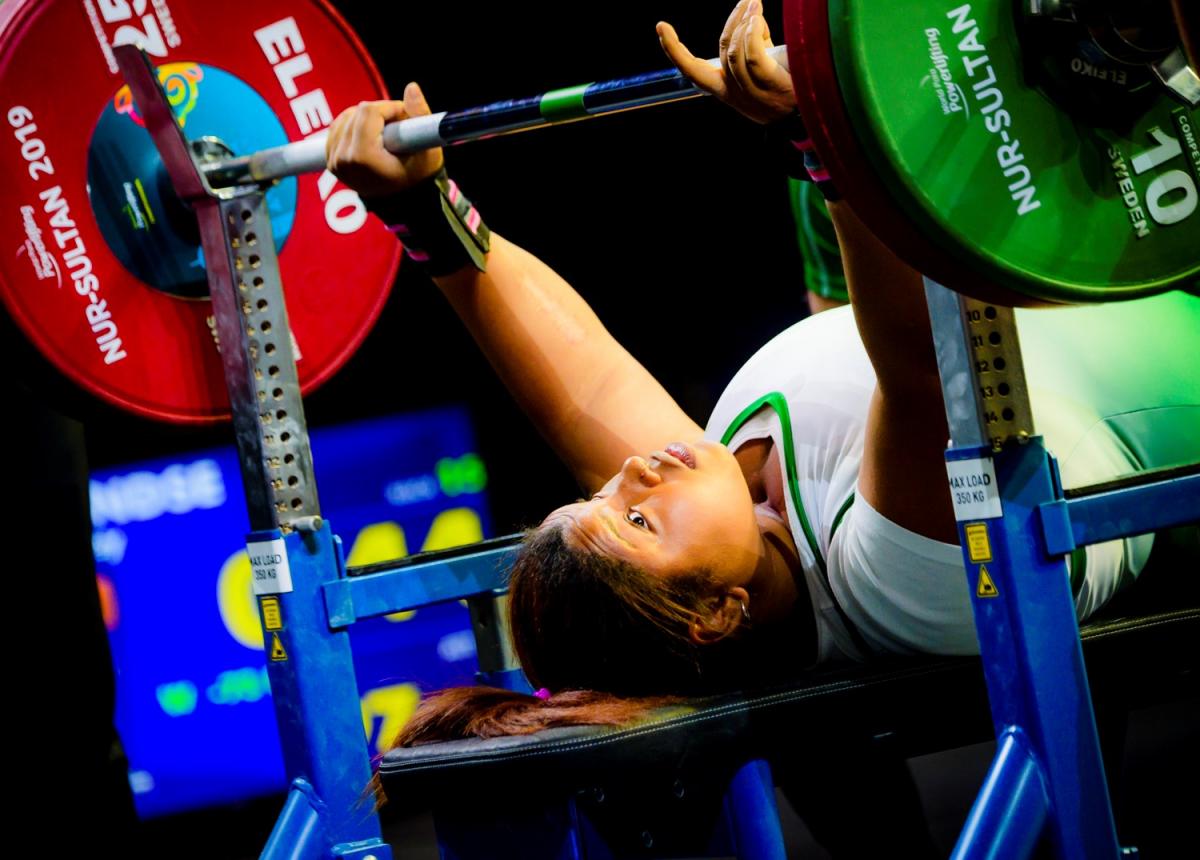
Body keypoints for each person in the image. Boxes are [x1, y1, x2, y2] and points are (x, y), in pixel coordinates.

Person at [326, 1, 1199, 744]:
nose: (627, 474)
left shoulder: (722, 507)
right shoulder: (900, 591)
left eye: (591, 499)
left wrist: (420, 210)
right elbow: (927, 363)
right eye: (632, 518)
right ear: (716, 616)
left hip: (1095, 248)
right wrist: (818, 131)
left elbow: (585, 383)